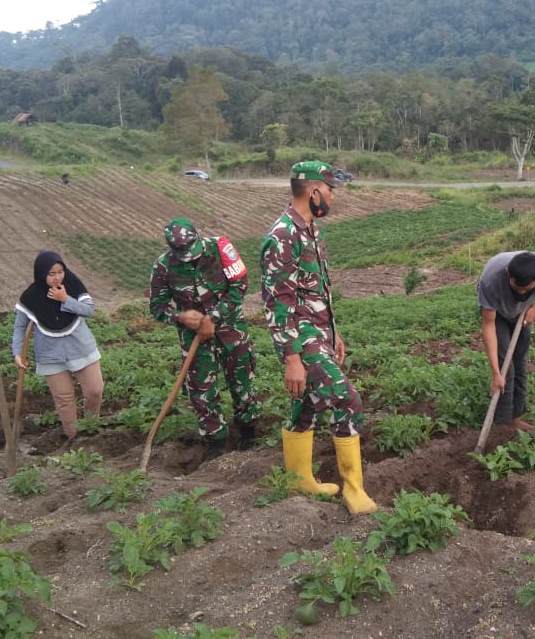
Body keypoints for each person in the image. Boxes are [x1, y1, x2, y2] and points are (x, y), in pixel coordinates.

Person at [260, 160, 376, 514]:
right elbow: (278, 303)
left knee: (306, 405)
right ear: (313, 192)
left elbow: (317, 292)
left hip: (320, 332)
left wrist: (335, 333)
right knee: (347, 402)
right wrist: (293, 360)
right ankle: (353, 491)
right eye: (330, 190)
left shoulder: (309, 230)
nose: (333, 196)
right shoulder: (282, 236)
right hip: (301, 338)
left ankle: (299, 480)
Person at [149, 218, 259, 461]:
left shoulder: (220, 248)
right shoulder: (164, 267)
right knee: (201, 390)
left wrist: (214, 317)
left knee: (241, 380)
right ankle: (216, 443)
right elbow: (157, 308)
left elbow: (239, 286)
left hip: (231, 329)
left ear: (198, 237)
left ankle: (248, 432)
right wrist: (180, 317)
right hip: (193, 337)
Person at [13, 250, 104, 441]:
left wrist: (65, 299)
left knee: (95, 391)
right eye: (51, 274)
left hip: (80, 346)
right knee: (64, 399)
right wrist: (18, 353)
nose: (57, 278)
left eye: (60, 271)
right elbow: (20, 326)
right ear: (41, 274)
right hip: (50, 353)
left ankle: (90, 429)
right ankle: (74, 439)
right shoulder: (31, 296)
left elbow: (89, 310)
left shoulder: (72, 284)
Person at [478, 251, 535, 432]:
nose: (521, 291)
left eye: (526, 289)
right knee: (506, 368)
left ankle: (516, 417)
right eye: (516, 287)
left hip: (523, 313)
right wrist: (496, 373)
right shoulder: (490, 281)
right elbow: (488, 326)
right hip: (499, 314)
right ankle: (502, 422)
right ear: (508, 275)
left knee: (520, 364)